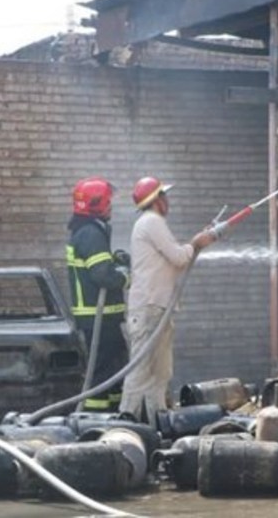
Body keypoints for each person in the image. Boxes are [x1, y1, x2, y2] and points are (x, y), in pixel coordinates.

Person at [120, 176, 216, 426]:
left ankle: (157, 425)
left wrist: (197, 244)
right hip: (150, 308)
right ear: (156, 200)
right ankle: (125, 423)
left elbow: (173, 261)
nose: (168, 201)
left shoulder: (150, 223)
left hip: (158, 308)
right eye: (164, 196)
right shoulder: (152, 221)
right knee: (141, 372)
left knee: (160, 373)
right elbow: (179, 258)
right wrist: (196, 243)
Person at [66, 177, 130, 411]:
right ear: (97, 204)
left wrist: (116, 259)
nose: (111, 206)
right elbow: (103, 275)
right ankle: (95, 416)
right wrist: (125, 276)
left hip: (102, 317)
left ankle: (113, 411)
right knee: (103, 373)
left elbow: (98, 264)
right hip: (98, 316)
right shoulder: (90, 234)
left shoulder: (87, 231)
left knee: (114, 369)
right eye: (108, 201)